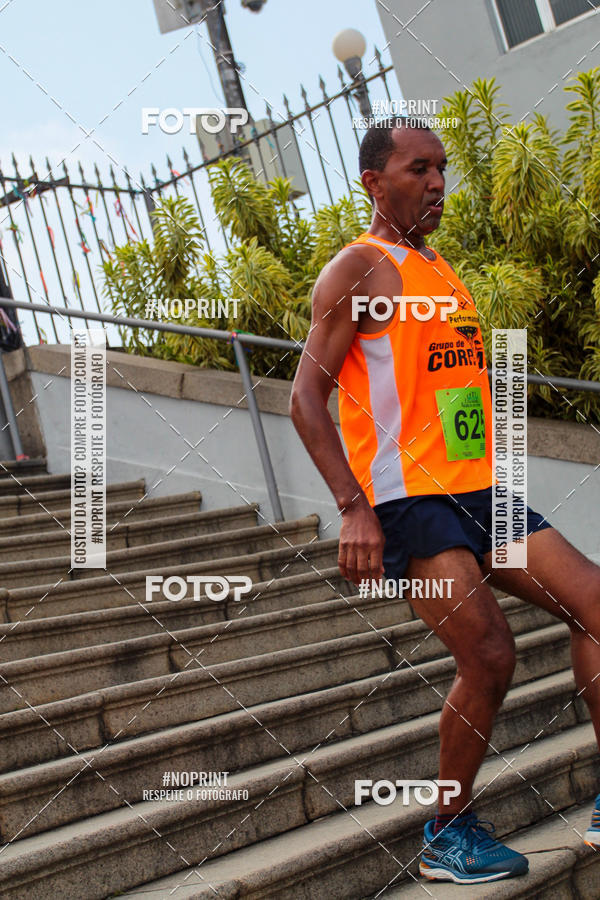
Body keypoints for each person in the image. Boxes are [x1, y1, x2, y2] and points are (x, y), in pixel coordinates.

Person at [289, 117, 600, 885]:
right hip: (409, 501)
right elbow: (305, 398)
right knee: (490, 653)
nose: (436, 183)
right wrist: (352, 506)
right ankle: (447, 831)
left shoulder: (442, 270)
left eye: (441, 168)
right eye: (417, 168)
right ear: (373, 182)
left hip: (482, 491)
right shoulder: (358, 269)